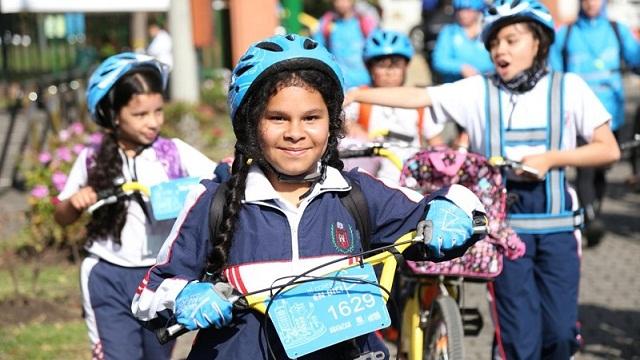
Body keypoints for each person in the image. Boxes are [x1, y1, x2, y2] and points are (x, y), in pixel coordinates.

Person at [131, 34, 486, 359]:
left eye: (311, 117)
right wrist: (183, 297)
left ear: (332, 123)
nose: (296, 133)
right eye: (278, 118)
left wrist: (451, 209)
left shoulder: (357, 194)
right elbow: (148, 295)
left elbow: (451, 201)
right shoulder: (215, 200)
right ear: (251, 124)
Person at [344, 0, 621, 358]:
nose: (500, 50)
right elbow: (419, 95)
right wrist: (356, 93)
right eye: (494, 43)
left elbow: (608, 149)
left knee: (562, 335)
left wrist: (553, 158)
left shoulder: (569, 88)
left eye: (511, 39)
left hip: (558, 230)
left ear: (538, 42)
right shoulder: (477, 90)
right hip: (503, 234)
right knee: (519, 340)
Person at [53, 52, 217, 360]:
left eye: (158, 111)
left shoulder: (174, 152)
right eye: (141, 115)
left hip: (159, 279)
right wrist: (75, 203)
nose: (153, 122)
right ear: (113, 114)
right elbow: (61, 216)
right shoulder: (92, 157)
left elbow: (218, 179)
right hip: (108, 277)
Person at [549, 0, 640, 247]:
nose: (591, 3)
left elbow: (636, 60)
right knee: (584, 170)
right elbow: (554, 72)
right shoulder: (566, 33)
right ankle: (589, 219)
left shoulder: (617, 30)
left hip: (612, 114)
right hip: (577, 117)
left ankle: (593, 212)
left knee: (601, 169)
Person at [343, 28, 444, 182]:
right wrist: (352, 127)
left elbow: (436, 142)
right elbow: (340, 120)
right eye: (382, 65)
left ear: (406, 66)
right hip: (370, 178)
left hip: (411, 178)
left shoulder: (417, 100)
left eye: (396, 65)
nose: (389, 72)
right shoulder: (359, 96)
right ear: (370, 68)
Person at [313, 0, 378, 89]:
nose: (341, 3)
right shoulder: (326, 23)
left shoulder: (363, 22)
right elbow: (318, 51)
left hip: (364, 84)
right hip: (337, 84)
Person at [431, 0, 494, 84]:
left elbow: (497, 60)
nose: (463, 14)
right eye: (459, 10)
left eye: (468, 10)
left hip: (486, 85)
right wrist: (461, 68)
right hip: (454, 86)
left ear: (478, 10)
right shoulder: (449, 31)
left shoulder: (489, 31)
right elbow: (439, 61)